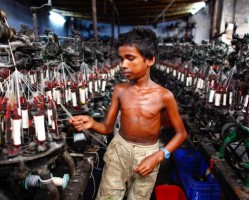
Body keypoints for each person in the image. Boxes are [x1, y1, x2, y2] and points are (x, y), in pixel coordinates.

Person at [69, 27, 187, 200]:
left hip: (148, 154)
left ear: (150, 60)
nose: (123, 64)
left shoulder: (164, 96)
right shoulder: (120, 90)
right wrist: (92, 123)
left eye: (130, 58)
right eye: (122, 59)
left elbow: (181, 133)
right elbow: (108, 128)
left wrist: (159, 155)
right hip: (119, 151)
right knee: (108, 196)